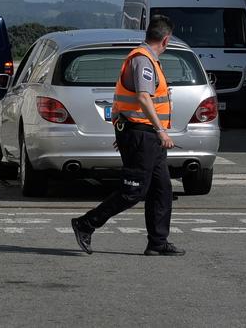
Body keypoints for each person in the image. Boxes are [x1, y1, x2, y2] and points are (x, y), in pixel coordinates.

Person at [71, 15, 185, 256]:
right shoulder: (143, 61)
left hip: (143, 136)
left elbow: (124, 100)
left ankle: (157, 242)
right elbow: (144, 98)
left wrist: (124, 129)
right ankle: (86, 223)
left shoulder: (144, 59)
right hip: (144, 135)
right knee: (133, 191)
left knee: (162, 189)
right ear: (165, 40)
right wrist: (159, 130)